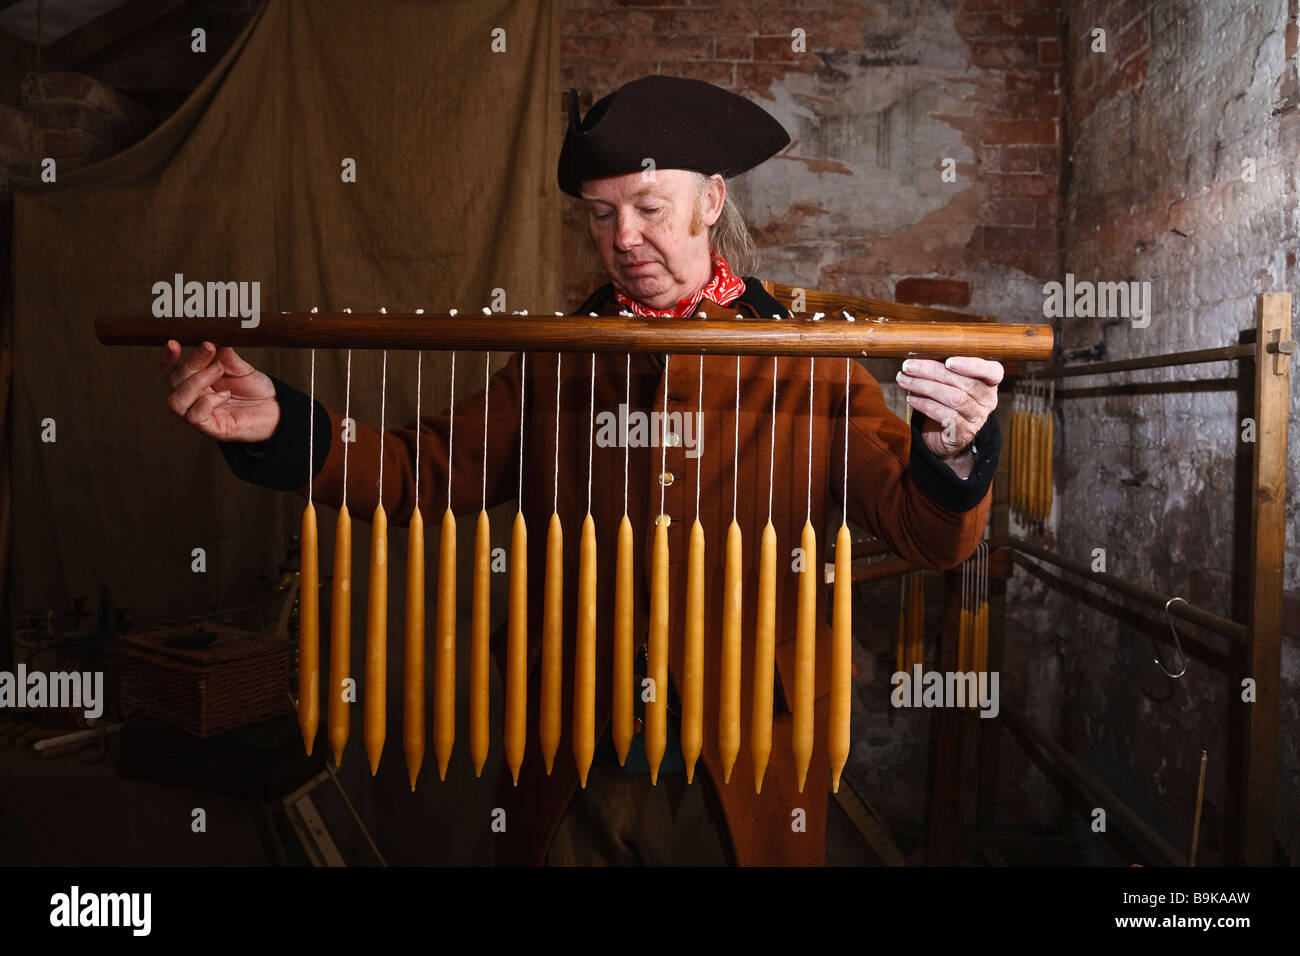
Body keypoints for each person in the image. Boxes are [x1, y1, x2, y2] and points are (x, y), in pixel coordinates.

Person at [160, 75, 1002, 866]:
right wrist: (282, 426)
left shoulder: (806, 362)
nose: (624, 239)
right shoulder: (555, 361)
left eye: (647, 207)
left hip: (747, 764)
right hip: (574, 758)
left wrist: (951, 451)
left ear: (712, 200)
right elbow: (421, 472)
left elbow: (930, 538)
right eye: (600, 217)